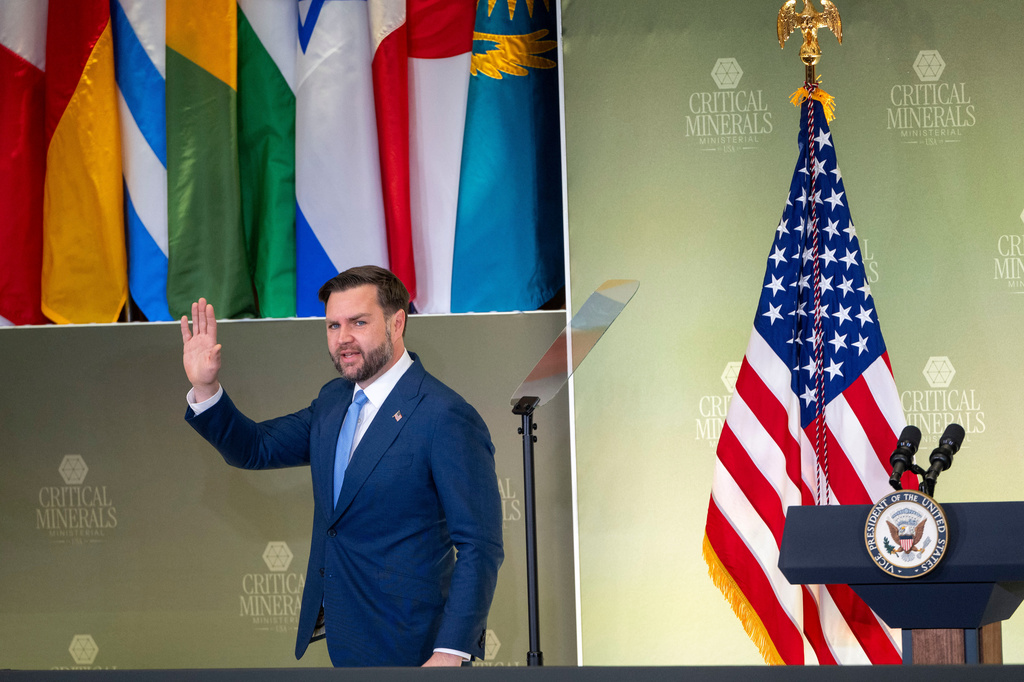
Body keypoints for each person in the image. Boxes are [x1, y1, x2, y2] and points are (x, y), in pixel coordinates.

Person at [180, 265, 504, 667]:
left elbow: (479, 545)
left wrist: (450, 652)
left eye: (358, 322)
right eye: (333, 326)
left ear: (396, 322)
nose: (343, 338)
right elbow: (255, 448)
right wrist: (206, 387)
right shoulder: (333, 401)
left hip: (416, 647)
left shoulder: (446, 415)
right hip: (344, 639)